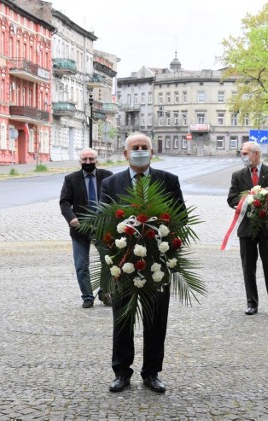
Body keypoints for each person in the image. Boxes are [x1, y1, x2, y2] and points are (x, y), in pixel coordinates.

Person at [101, 132, 185, 394]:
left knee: (156, 319)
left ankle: (152, 372)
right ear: (126, 154)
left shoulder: (168, 181)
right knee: (123, 319)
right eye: (134, 148)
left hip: (158, 262)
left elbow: (180, 218)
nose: (140, 151)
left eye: (144, 147)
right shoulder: (111, 183)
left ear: (151, 152)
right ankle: (121, 372)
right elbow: (103, 223)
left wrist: (169, 242)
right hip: (124, 261)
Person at [227, 141, 268, 318]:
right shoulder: (237, 175)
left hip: (267, 228)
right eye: (242, 153)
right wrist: (247, 201)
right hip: (246, 228)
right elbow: (231, 199)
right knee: (248, 266)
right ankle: (251, 303)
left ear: (256, 154)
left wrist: (265, 202)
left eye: (245, 153)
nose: (242, 156)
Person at [59, 148, 113, 308]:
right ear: (80, 161)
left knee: (108, 262)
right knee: (81, 264)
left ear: (97, 160)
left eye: (91, 159)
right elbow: (64, 202)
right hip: (79, 229)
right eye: (85, 159)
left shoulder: (108, 176)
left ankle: (105, 293)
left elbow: (115, 197)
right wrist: (71, 218)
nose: (88, 162)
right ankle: (87, 296)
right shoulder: (70, 179)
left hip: (103, 227)